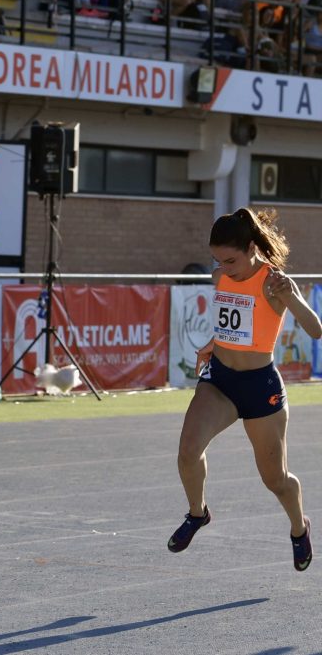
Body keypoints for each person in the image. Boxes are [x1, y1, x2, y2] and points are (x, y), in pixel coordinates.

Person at [169, 208, 321, 571]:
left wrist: (292, 297)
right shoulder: (221, 276)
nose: (223, 268)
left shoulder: (274, 282)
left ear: (251, 248)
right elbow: (234, 324)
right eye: (218, 260)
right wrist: (214, 342)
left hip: (259, 388)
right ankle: (197, 513)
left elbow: (316, 330)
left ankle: (299, 528)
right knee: (188, 451)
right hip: (220, 380)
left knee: (276, 480)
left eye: (231, 260)